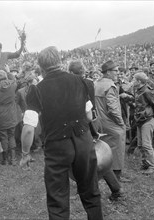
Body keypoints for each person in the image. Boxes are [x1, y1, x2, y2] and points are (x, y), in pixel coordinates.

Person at [20, 46, 103, 219]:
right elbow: (89, 115)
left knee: (57, 198)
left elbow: (28, 129)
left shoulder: (36, 89)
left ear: (41, 67)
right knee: (91, 190)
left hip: (57, 146)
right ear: (60, 62)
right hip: (83, 140)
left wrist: (25, 153)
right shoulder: (80, 81)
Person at [69, 60, 124, 201]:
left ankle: (85, 190)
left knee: (85, 159)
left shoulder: (80, 84)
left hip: (82, 125)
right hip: (92, 122)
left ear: (70, 73)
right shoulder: (89, 83)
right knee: (98, 157)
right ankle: (116, 189)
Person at [94, 60, 129, 183]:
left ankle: (104, 174)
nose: (117, 73)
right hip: (111, 123)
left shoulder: (96, 83)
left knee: (104, 150)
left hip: (100, 123)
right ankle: (116, 177)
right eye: (115, 71)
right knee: (118, 150)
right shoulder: (110, 86)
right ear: (108, 72)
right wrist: (121, 123)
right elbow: (113, 109)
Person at [132, 72, 154, 174]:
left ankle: (153, 166)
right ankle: (145, 163)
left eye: (134, 79)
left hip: (147, 120)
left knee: (146, 145)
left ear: (139, 81)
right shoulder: (138, 90)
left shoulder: (147, 91)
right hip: (140, 120)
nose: (133, 81)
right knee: (140, 144)